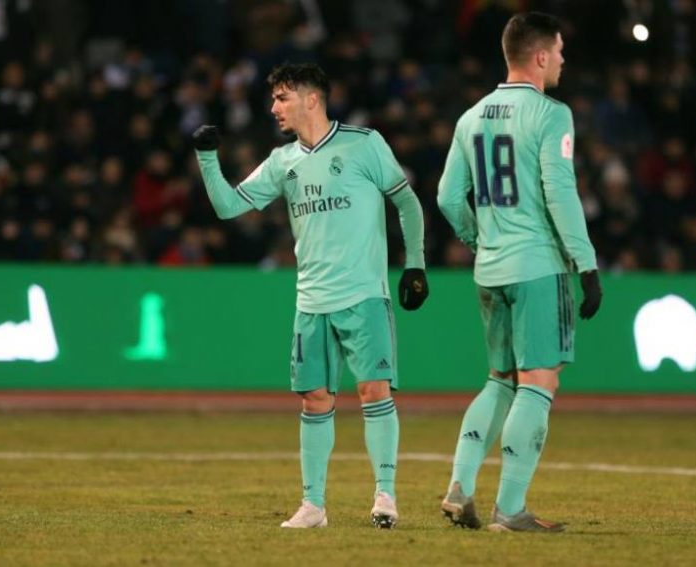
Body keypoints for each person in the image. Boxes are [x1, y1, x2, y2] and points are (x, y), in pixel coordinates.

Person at [192, 63, 428, 529]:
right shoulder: (284, 161)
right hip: (311, 301)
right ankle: (313, 506)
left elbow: (406, 201)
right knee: (315, 399)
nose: (273, 107)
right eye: (274, 99)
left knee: (373, 390)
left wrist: (415, 263)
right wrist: (206, 158)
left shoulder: (364, 143)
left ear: (311, 99)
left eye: (281, 97)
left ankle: (385, 496)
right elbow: (227, 206)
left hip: (364, 294)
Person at [436, 12, 602, 533]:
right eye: (558, 50)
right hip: (536, 266)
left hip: (490, 270)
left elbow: (445, 197)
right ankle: (510, 510)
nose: (563, 59)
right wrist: (587, 263)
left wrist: (478, 239)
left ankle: (459, 486)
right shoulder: (552, 115)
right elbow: (560, 192)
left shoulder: (471, 117)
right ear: (538, 56)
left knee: (499, 380)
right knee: (539, 381)